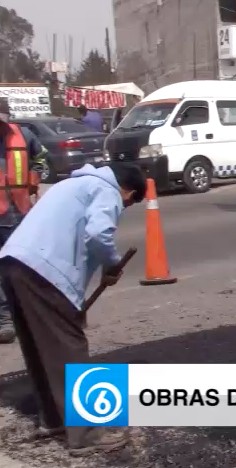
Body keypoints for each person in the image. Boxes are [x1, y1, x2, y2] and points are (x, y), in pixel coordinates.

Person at [0, 162, 146, 456]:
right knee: (70, 346)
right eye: (128, 203)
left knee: (39, 346)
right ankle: (88, 434)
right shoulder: (106, 189)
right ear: (128, 191)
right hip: (45, 272)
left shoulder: (71, 184)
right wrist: (111, 263)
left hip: (14, 265)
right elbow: (98, 233)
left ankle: (54, 419)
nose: (123, 207)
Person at [0, 97, 48, 344]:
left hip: (19, 213)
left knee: (21, 267)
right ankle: (5, 318)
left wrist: (35, 175)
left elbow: (41, 158)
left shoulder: (24, 135)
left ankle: (27, 314)